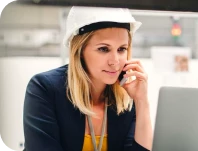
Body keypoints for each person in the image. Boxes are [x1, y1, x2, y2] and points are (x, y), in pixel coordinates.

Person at [23, 6, 152, 151]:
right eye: (104, 49)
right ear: (79, 50)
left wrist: (142, 101)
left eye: (122, 49)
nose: (115, 61)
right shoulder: (44, 89)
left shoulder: (126, 99)